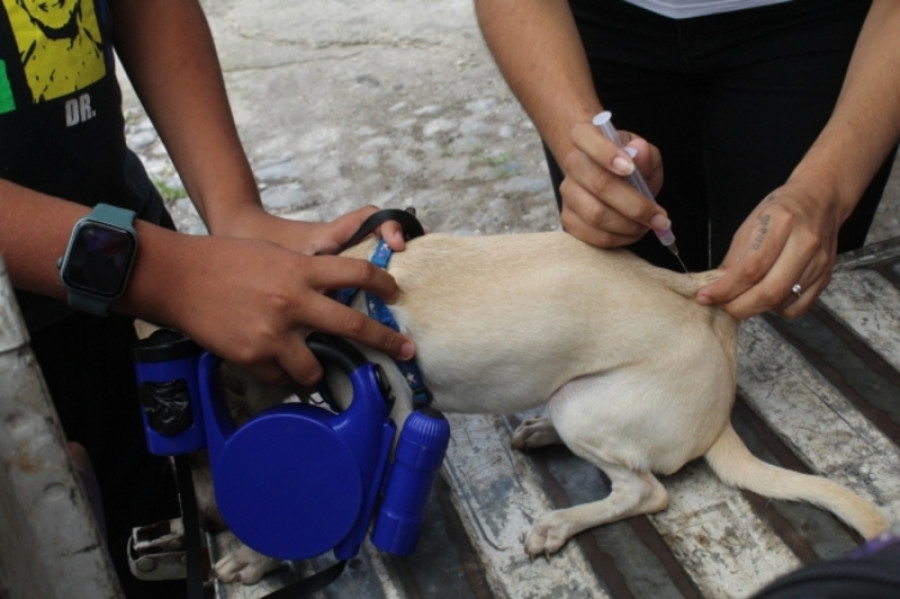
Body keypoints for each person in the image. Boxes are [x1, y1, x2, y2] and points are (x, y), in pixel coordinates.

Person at [0, 0, 414, 596]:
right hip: (55, 319)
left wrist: (236, 213)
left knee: (152, 543)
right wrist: (169, 275)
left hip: (118, 272)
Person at [474, 0, 900, 320]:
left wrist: (827, 187)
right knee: (632, 314)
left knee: (779, 299)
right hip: (583, 26)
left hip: (822, 25)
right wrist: (579, 139)